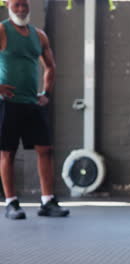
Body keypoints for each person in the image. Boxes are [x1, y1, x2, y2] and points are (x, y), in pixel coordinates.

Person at [0, 0, 69, 220]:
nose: (21, 9)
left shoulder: (39, 35)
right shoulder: (2, 30)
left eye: (25, 5)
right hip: (7, 103)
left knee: (45, 149)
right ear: (9, 5)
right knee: (7, 152)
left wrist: (46, 93)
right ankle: (11, 203)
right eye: (17, 5)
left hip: (32, 102)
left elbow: (50, 66)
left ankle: (47, 201)